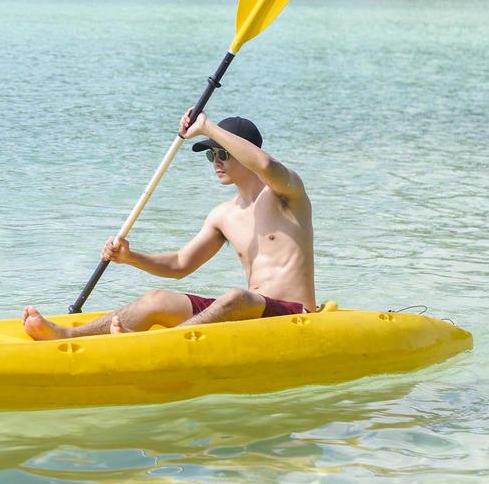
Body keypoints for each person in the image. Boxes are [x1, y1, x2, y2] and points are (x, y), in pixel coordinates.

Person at [23, 111, 316, 339]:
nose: (216, 161)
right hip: (254, 310)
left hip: (294, 313)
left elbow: (264, 166)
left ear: (244, 151)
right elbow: (179, 264)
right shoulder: (222, 215)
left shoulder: (286, 192)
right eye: (212, 155)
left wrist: (206, 127)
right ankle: (67, 334)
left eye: (223, 153)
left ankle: (160, 343)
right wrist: (130, 257)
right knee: (155, 299)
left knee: (236, 297)